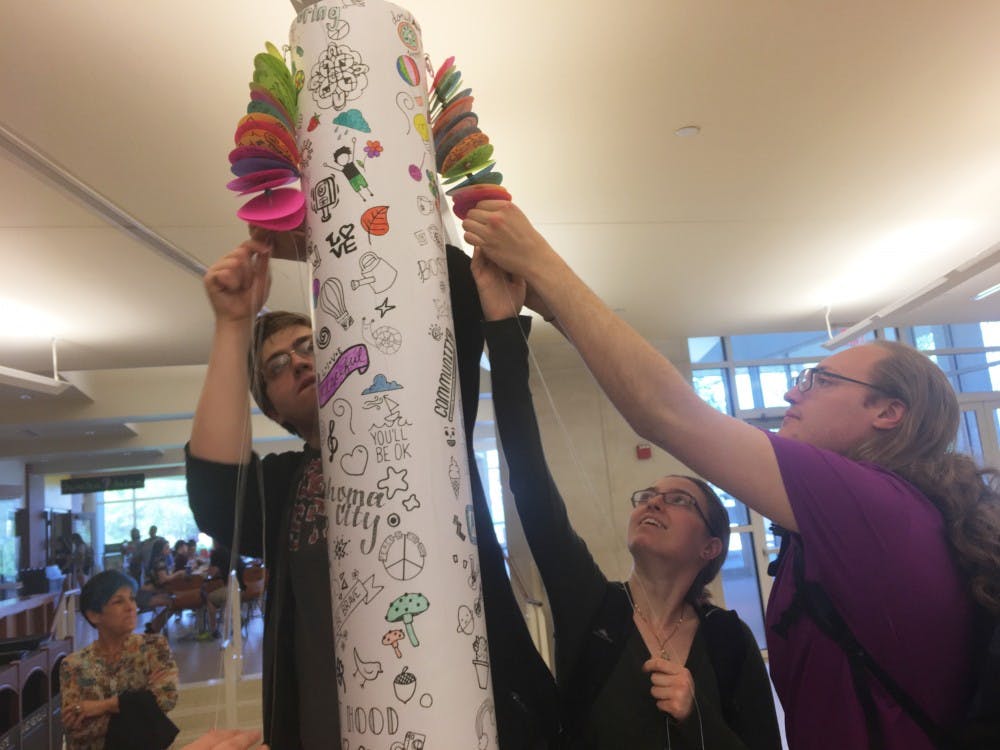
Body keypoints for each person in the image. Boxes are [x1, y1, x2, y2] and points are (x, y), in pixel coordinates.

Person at [463, 201, 1000, 749]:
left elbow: (666, 412)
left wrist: (541, 265)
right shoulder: (871, 525)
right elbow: (530, 486)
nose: (793, 391)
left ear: (888, 413)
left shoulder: (876, 509)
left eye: (818, 379)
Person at [186, 237, 559, 749]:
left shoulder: (421, 420)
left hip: (481, 718)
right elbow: (215, 495)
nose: (297, 362)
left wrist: (323, 238)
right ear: (272, 412)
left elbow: (452, 278)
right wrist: (232, 323)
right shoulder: (285, 486)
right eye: (275, 367)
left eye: (308, 345)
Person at [471, 251, 781, 749]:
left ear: (711, 547)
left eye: (678, 500)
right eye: (649, 495)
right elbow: (528, 480)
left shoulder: (728, 641)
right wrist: (504, 328)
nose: (653, 503)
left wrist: (696, 715)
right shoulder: (592, 605)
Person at [61, 570, 179, 750]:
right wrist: (141, 700)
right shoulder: (74, 664)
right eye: (118, 601)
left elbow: (166, 698)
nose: (131, 607)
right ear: (94, 615)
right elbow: (77, 729)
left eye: (132, 599)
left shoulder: (154, 647)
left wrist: (99, 707)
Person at [141, 537, 186, 635]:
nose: (169, 550)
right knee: (173, 602)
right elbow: (164, 579)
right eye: (166, 548)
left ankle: (155, 625)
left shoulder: (157, 560)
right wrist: (178, 573)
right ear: (161, 550)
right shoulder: (160, 561)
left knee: (172, 600)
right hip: (148, 595)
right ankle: (155, 626)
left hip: (148, 593)